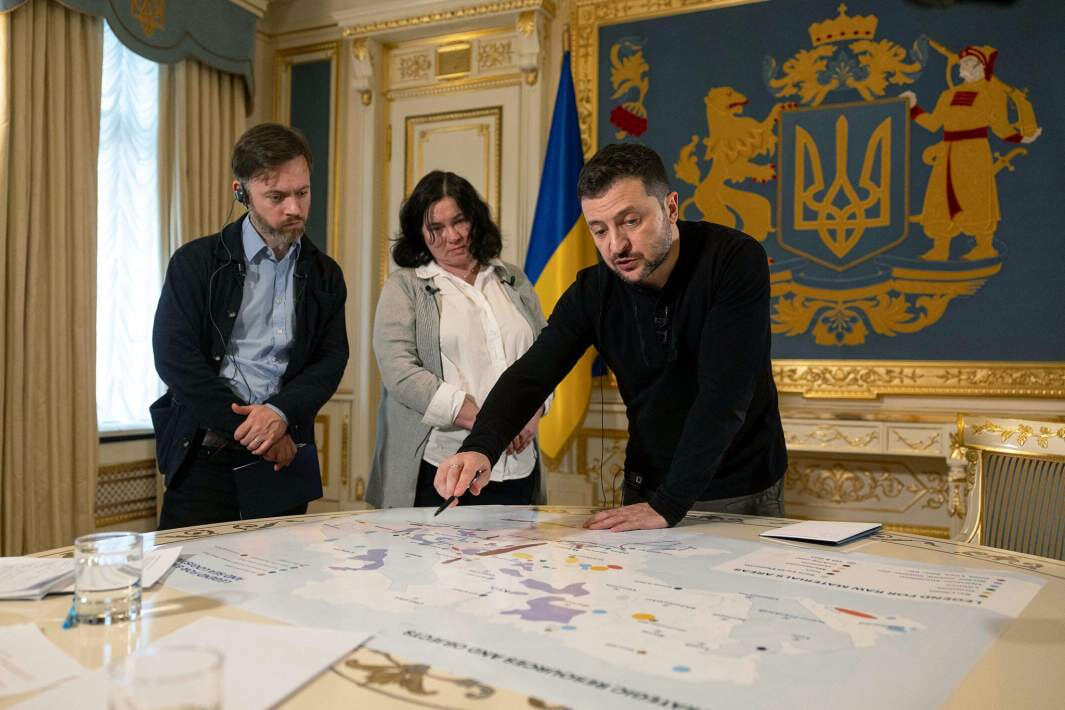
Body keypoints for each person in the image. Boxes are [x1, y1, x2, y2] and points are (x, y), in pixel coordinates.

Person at [435, 143, 787, 531]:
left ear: (670, 208)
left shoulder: (734, 260)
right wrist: (480, 447)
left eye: (631, 221)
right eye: (600, 230)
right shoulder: (594, 290)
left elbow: (724, 396)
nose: (616, 246)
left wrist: (668, 505)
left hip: (737, 488)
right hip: (647, 488)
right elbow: (531, 374)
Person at [151, 123, 348, 529]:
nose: (294, 208)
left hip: (284, 459)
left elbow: (330, 360)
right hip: (205, 456)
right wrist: (255, 431)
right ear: (240, 192)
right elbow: (174, 358)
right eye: (276, 196)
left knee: (281, 570)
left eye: (303, 193)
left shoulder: (326, 274)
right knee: (187, 569)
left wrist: (280, 413)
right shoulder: (195, 262)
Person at [368, 171, 551, 509]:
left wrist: (534, 410)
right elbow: (399, 371)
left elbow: (547, 353)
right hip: (442, 467)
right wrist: (490, 425)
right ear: (419, 233)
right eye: (436, 228)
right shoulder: (405, 286)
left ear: (475, 219)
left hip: (518, 467)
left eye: (459, 221)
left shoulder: (512, 278)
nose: (452, 236)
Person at [901, 44, 1041, 261]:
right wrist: (913, 108)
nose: (963, 66)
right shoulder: (948, 94)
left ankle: (985, 247)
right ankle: (940, 249)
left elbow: (1001, 128)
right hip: (948, 153)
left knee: (975, 198)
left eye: (969, 62)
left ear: (982, 66)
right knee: (942, 199)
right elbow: (933, 124)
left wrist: (1021, 137)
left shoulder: (993, 94)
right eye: (963, 62)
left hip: (975, 151)